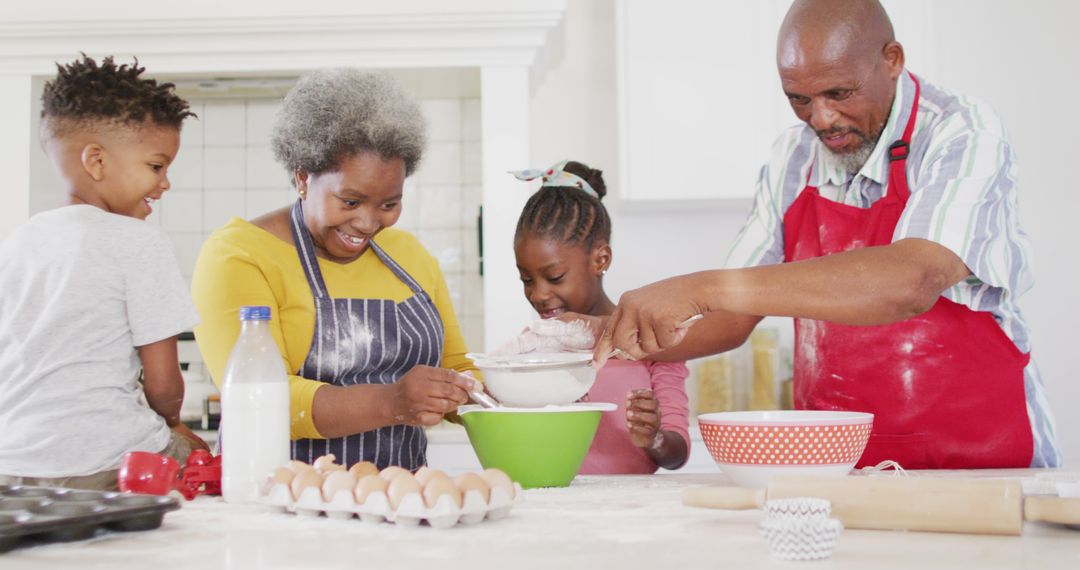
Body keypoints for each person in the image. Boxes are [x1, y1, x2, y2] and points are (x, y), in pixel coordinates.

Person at [591, 0, 1060, 469]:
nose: (822, 119)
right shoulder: (792, 160)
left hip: (984, 469)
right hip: (839, 471)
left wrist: (703, 288)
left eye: (841, 92)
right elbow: (731, 319)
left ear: (892, 59)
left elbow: (911, 281)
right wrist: (611, 332)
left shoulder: (961, 133)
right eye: (799, 99)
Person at [191, 69, 479, 471]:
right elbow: (258, 398)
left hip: (400, 505)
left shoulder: (408, 254)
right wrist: (393, 401)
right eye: (350, 202)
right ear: (303, 179)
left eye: (388, 204)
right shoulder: (238, 255)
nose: (367, 223)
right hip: (282, 502)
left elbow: (457, 368)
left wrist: (528, 382)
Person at [0, 55, 209, 490]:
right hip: (109, 458)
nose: (165, 182)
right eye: (156, 166)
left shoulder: (18, 242)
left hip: (13, 459)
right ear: (96, 161)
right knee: (205, 461)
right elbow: (164, 384)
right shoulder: (138, 241)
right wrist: (172, 423)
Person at [505, 160, 690, 473]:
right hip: (552, 510)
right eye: (526, 279)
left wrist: (654, 437)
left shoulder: (651, 339)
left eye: (555, 277)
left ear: (600, 259)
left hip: (632, 515)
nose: (537, 294)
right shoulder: (535, 345)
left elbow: (677, 454)